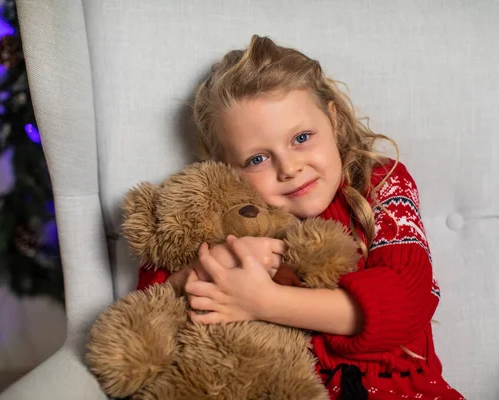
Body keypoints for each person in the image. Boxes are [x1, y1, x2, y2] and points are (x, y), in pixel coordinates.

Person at [137, 35, 464, 400]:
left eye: (302, 137)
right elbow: (153, 301)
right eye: (257, 159)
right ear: (227, 168)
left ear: (334, 121)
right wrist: (224, 261)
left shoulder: (382, 183)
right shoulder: (227, 216)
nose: (289, 167)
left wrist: (263, 301)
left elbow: (404, 302)